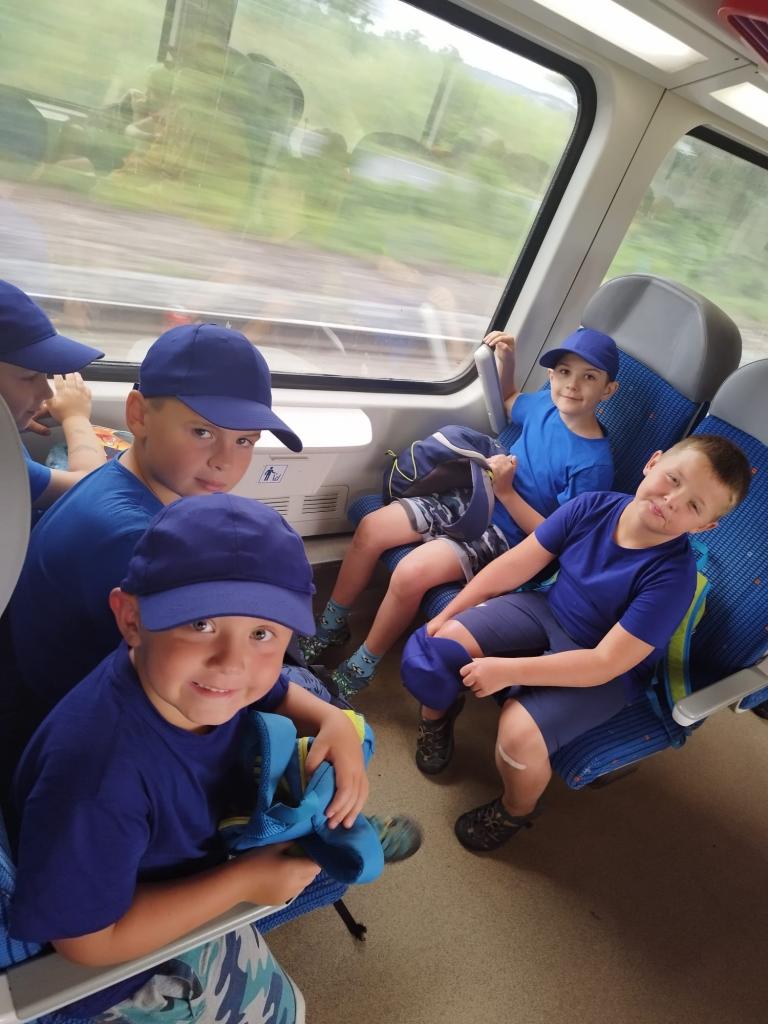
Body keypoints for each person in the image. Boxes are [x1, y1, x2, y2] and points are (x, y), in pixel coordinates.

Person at [8, 495, 366, 1022]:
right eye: (200, 624)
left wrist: (337, 722)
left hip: (186, 852)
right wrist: (241, 883)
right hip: (120, 959)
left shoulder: (182, 678)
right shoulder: (97, 781)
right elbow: (85, 943)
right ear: (131, 619)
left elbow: (270, 689)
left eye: (262, 633)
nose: (231, 663)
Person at [400, 435, 752, 851]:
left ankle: (515, 810)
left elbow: (604, 663)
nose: (672, 501)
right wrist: (446, 616)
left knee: (517, 734)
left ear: (704, 526)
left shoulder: (674, 580)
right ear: (653, 462)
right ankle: (437, 717)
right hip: (550, 610)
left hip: (606, 670)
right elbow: (512, 567)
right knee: (443, 644)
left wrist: (506, 670)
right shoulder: (591, 507)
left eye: (694, 506)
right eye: (673, 479)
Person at [301, 327, 619, 699]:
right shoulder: (544, 406)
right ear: (551, 375)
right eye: (564, 372)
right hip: (475, 497)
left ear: (607, 390)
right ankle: (332, 625)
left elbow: (557, 540)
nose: (572, 385)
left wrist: (506, 493)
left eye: (589, 377)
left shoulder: (592, 465)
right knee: (372, 528)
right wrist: (507, 361)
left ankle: (365, 663)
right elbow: (509, 400)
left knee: (410, 572)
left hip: (508, 536)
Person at [8, 320, 302, 713]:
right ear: (139, 415)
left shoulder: (121, 473)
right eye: (202, 432)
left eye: (245, 440)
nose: (225, 462)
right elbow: (198, 669)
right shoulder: (134, 539)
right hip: (77, 714)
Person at [0, 279, 107, 508]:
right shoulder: (5, 464)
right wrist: (75, 417)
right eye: (29, 377)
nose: (47, 393)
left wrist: (13, 419)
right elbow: (89, 486)